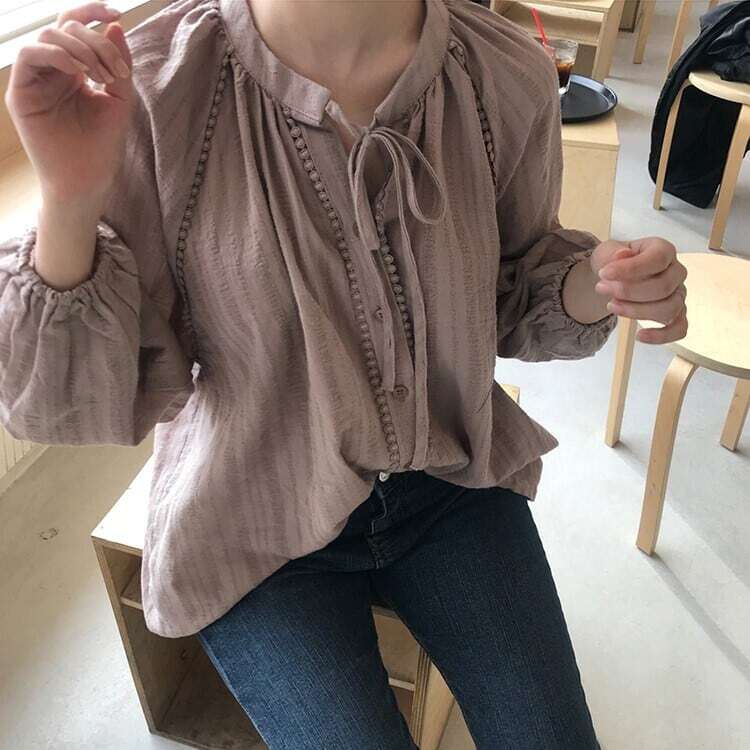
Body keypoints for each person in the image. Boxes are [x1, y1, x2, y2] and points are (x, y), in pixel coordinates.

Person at [1, 0, 688, 747]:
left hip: (450, 486)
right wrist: (68, 200)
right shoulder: (160, 89)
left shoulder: (503, 74)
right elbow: (69, 402)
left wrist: (598, 281)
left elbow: (512, 289)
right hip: (252, 512)